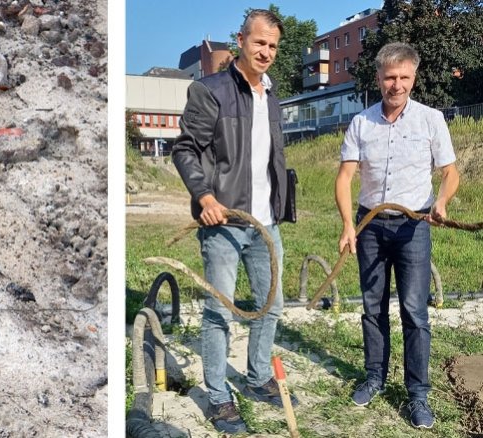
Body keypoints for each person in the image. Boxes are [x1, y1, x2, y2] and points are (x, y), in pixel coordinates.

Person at [173, 9, 296, 434]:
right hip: (223, 222)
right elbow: (185, 149)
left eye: (273, 46)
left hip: (265, 224)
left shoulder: (273, 95)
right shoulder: (211, 91)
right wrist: (205, 197)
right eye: (259, 42)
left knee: (271, 305)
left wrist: (279, 205)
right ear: (241, 40)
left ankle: (259, 377)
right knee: (219, 311)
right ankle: (218, 396)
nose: (266, 52)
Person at [335, 41, 459, 429]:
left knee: (414, 311)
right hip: (370, 226)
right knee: (373, 309)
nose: (397, 84)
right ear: (378, 78)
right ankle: (374, 377)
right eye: (390, 77)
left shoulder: (431, 119)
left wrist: (441, 202)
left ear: (414, 77)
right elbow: (344, 178)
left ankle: (417, 394)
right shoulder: (362, 122)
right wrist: (346, 226)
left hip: (413, 227)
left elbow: (450, 173)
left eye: (404, 77)